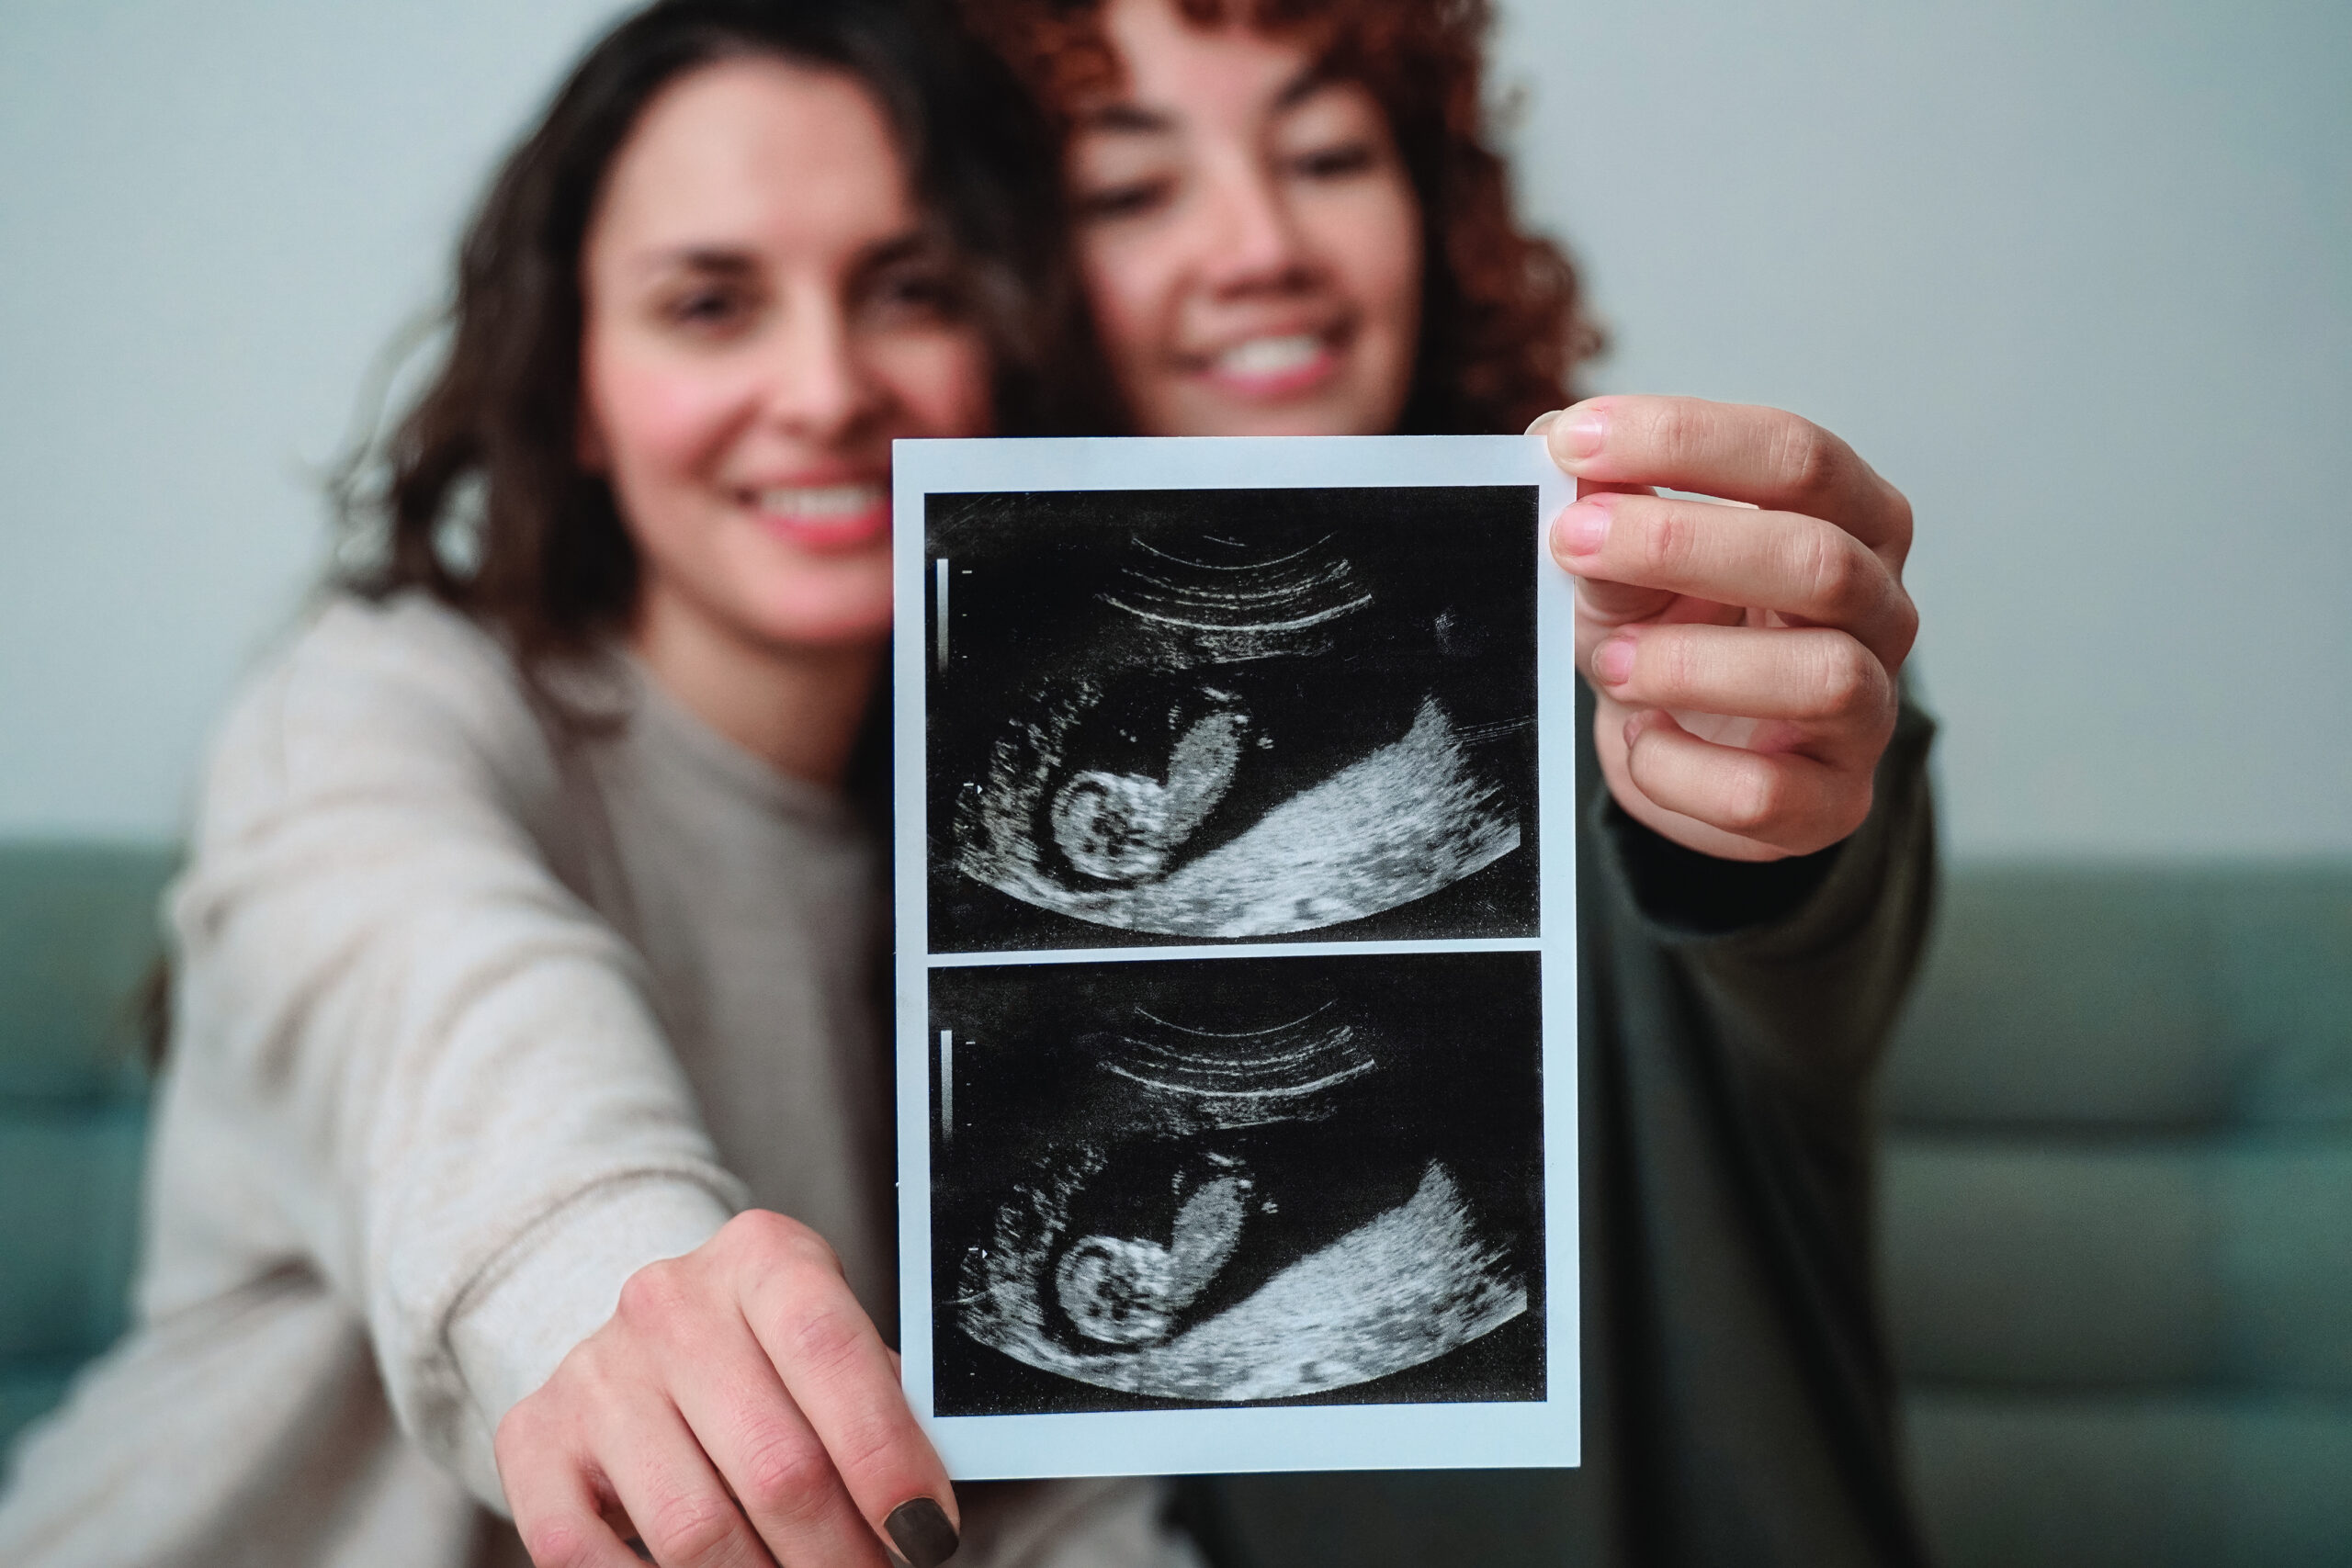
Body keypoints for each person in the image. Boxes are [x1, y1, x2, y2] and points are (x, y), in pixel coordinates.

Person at [0, 3, 1173, 1565]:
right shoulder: (379, 705)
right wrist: (614, 1291)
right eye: (710, 304)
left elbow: (1050, 1499)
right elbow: (447, 1004)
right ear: (574, 390)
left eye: (906, 291)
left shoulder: (1036, 853)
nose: (825, 387)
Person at [949, 0, 1940, 1562]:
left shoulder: (1684, 645)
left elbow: (1797, 908)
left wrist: (1763, 803)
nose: (1262, 242)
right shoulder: (934, 735)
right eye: (1132, 190)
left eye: (1329, 153)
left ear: (1435, 201)